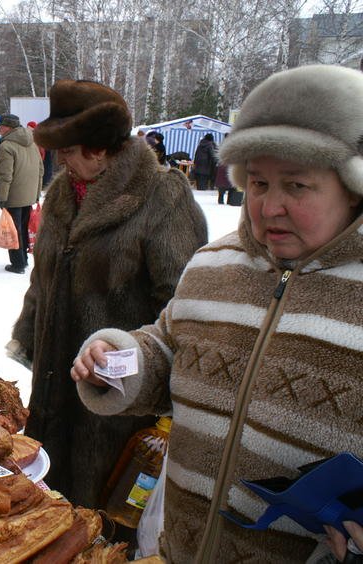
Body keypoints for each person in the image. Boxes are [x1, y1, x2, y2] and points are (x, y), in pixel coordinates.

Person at [71, 64, 363, 563]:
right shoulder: (214, 264)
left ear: (353, 187)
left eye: (296, 186)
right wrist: (118, 359)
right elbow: (166, 350)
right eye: (258, 183)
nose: (270, 207)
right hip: (181, 546)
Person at [6, 79, 207, 509]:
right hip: (54, 380)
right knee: (48, 498)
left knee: (104, 509)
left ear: (99, 149)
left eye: (69, 150)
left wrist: (128, 367)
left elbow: (183, 303)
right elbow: (44, 276)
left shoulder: (162, 196)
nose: (60, 160)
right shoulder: (63, 191)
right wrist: (27, 334)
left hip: (118, 397)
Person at [0, 113, 43, 274]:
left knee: (13, 230)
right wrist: (36, 193)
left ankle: (18, 264)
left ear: (8, 127)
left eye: (1, 125)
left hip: (13, 195)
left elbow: (5, 176)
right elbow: (40, 170)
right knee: (22, 227)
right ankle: (23, 259)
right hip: (29, 194)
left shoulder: (6, 146)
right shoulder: (32, 142)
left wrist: (2, 198)